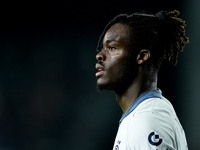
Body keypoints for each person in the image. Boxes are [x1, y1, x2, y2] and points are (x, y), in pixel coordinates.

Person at [95, 10, 189, 149]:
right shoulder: (142, 114)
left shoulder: (147, 120)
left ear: (141, 56)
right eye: (103, 47)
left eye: (112, 47)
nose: (100, 55)